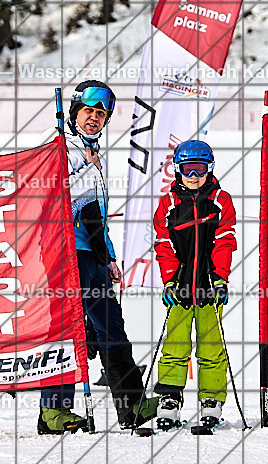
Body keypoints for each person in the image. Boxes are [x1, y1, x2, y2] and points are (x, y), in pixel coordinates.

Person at [37, 80, 159, 434]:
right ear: (75, 112)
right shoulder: (56, 142)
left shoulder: (93, 152)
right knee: (65, 332)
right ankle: (54, 412)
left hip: (93, 255)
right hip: (63, 254)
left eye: (100, 114)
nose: (93, 119)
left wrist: (109, 257)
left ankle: (131, 405)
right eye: (88, 111)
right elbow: (51, 194)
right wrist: (89, 167)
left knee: (111, 329)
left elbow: (95, 213)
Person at [152, 140, 237, 430]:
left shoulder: (220, 200)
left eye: (199, 169)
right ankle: (170, 400)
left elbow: (225, 241)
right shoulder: (168, 204)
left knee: (211, 346)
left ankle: (211, 401)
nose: (193, 175)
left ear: (209, 168)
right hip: (181, 284)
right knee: (175, 344)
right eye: (187, 169)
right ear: (178, 170)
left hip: (209, 284)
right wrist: (169, 281)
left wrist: (220, 278)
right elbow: (163, 246)